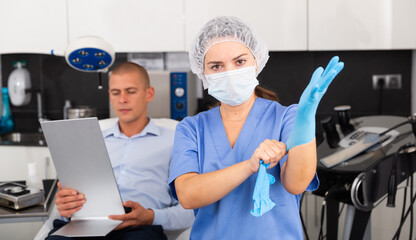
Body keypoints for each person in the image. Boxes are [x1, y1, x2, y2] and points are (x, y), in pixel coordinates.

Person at [168, 16, 344, 239]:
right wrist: (249, 165)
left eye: (239, 61)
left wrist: (306, 119)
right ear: (203, 73)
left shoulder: (286, 118)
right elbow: (188, 195)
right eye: (216, 66)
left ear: (256, 61)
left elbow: (296, 183)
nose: (229, 72)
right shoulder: (191, 128)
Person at [47, 62, 194, 240]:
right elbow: (66, 202)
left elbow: (191, 208)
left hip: (139, 229)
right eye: (116, 93)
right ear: (110, 95)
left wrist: (151, 216)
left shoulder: (175, 141)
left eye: (131, 91)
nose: (122, 99)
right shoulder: (90, 140)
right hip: (83, 224)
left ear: (149, 94)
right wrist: (66, 208)